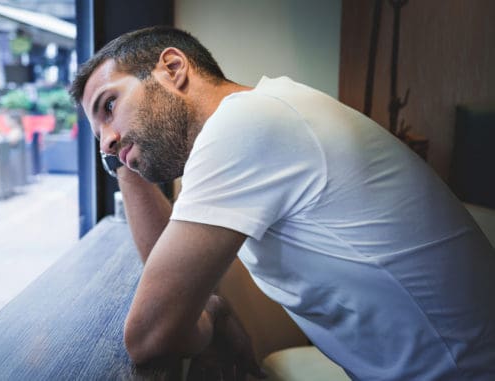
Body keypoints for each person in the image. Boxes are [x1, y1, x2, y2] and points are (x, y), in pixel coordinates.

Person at [70, 26, 495, 380]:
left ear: (173, 68)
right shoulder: (265, 112)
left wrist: (206, 315)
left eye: (109, 105)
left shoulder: (245, 124)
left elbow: (149, 335)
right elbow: (170, 274)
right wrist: (121, 159)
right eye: (98, 138)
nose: (106, 141)